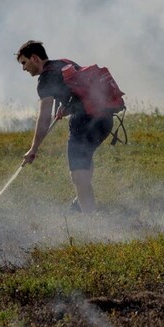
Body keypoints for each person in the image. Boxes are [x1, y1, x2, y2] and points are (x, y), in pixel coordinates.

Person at [16, 40, 113, 213]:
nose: (24, 68)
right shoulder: (64, 63)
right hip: (105, 120)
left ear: (35, 58)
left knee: (78, 175)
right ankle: (80, 199)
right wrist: (67, 108)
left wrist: (33, 149)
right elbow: (82, 93)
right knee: (85, 159)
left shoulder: (45, 79)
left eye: (24, 62)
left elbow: (44, 118)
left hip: (84, 125)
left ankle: (91, 222)